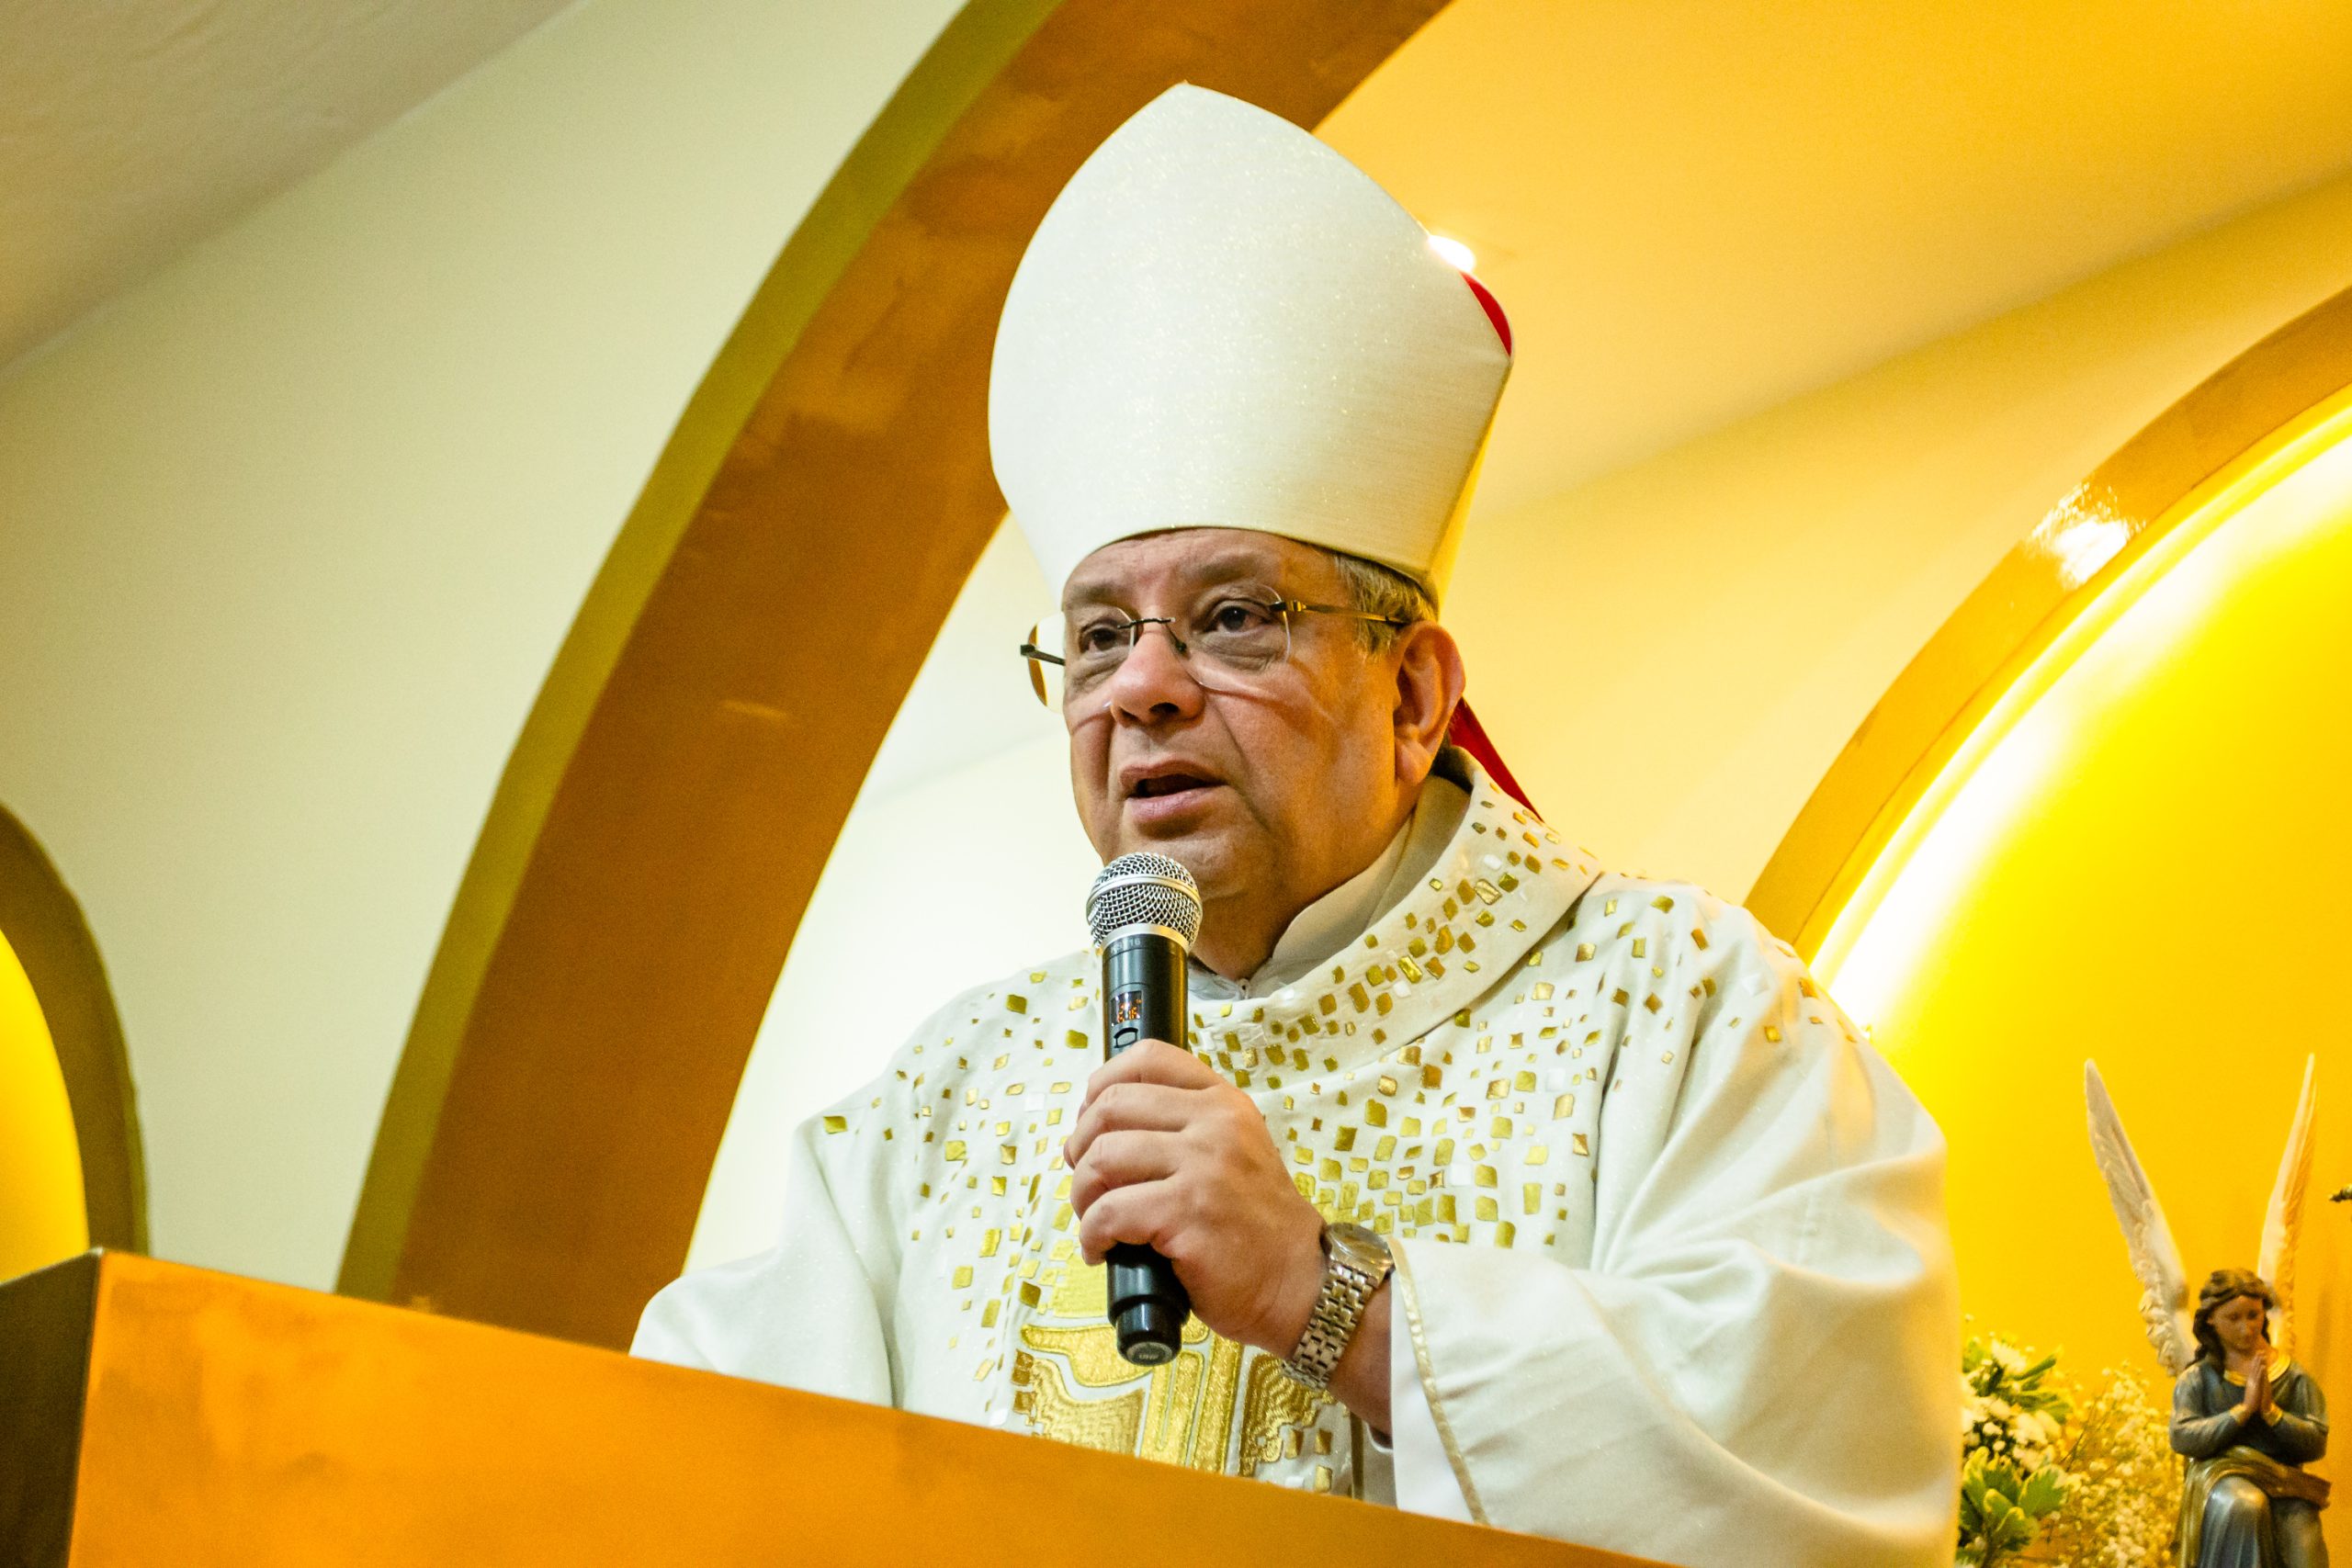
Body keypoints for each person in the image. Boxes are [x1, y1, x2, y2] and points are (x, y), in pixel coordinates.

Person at [633, 84, 1959, 1566]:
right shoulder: (938, 1107)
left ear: (1413, 695)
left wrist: (1340, 1298)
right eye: (1093, 636)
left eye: (1231, 617)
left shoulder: (1687, 1017)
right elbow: (671, 1467)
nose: (1141, 687)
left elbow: (1823, 1473)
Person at [2171, 1269, 2331, 1568]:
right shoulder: (2200, 1378)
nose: (2246, 1329)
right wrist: (2241, 1412)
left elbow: (2316, 1442)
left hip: (2283, 1481)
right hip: (2222, 1474)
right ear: (2210, 1320)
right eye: (2233, 1318)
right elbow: (2181, 1435)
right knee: (2245, 1505)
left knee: (2301, 1528)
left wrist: (2272, 1413)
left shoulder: (2291, 1375)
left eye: (2253, 1316)